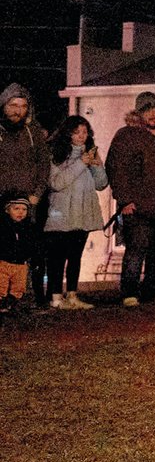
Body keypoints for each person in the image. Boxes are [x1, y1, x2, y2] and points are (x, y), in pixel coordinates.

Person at [105, 91, 155, 306]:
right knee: (136, 248)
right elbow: (116, 168)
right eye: (147, 110)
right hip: (137, 205)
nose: (153, 114)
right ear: (139, 113)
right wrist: (124, 200)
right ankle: (129, 291)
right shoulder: (126, 136)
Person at [45, 116, 107, 310]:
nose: (82, 136)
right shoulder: (57, 154)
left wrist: (96, 165)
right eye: (77, 132)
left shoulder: (90, 154)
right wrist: (81, 163)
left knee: (75, 256)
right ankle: (56, 297)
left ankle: (72, 295)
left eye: (85, 132)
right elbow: (56, 183)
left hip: (82, 213)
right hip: (61, 214)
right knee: (57, 257)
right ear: (68, 133)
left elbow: (101, 184)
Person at [1, 84, 49, 305]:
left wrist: (37, 193)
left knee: (31, 248)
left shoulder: (33, 132)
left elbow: (43, 164)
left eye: (22, 106)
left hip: (28, 201)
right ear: (4, 106)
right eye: (13, 105)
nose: (17, 110)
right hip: (2, 200)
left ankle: (33, 295)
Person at [0, 198, 38, 315]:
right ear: (7, 210)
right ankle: (2, 303)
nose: (20, 212)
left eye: (24, 209)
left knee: (19, 287)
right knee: (1, 285)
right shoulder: (3, 226)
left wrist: (32, 257)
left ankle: (13, 304)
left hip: (21, 264)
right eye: (16, 209)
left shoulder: (28, 228)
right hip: (4, 262)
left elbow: (32, 245)